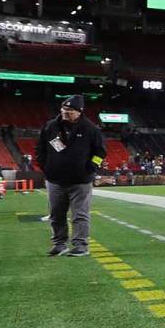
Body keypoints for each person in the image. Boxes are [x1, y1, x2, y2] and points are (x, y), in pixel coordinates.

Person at [36, 95, 105, 257]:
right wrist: (45, 166)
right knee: (56, 214)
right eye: (63, 109)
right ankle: (60, 244)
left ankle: (81, 245)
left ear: (79, 112)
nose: (65, 112)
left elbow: (100, 152)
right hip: (55, 180)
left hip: (80, 181)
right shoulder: (50, 126)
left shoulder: (91, 129)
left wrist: (91, 167)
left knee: (80, 214)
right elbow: (40, 148)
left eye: (70, 110)